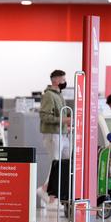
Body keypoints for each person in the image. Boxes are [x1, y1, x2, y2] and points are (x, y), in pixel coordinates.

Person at [38, 70, 71, 204]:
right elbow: (44, 116)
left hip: (62, 134)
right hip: (53, 135)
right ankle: (44, 190)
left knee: (66, 162)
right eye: (63, 79)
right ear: (56, 80)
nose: (64, 82)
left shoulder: (59, 95)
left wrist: (67, 124)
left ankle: (54, 192)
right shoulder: (48, 96)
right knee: (56, 164)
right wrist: (64, 120)